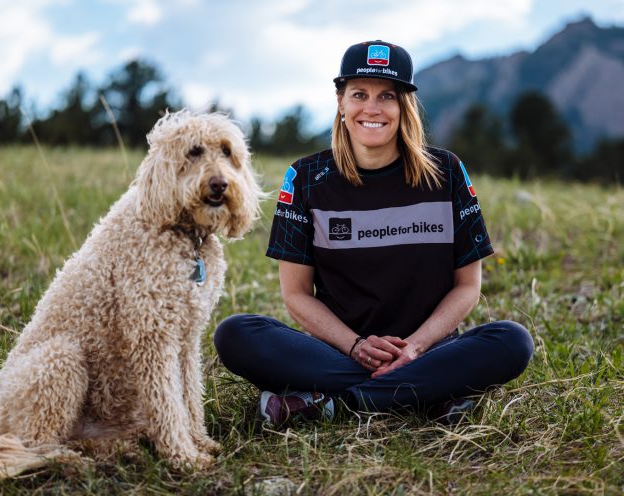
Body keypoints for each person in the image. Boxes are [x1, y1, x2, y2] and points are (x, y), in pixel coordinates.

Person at [214, 40, 534, 428]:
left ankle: (337, 403)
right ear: (340, 102)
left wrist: (415, 347)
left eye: (387, 96)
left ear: (404, 106)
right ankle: (426, 395)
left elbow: (467, 286)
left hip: (430, 349)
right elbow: (296, 294)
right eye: (359, 94)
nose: (373, 108)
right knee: (237, 333)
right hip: (339, 352)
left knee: (512, 341)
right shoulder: (305, 178)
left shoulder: (447, 172)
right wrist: (357, 346)